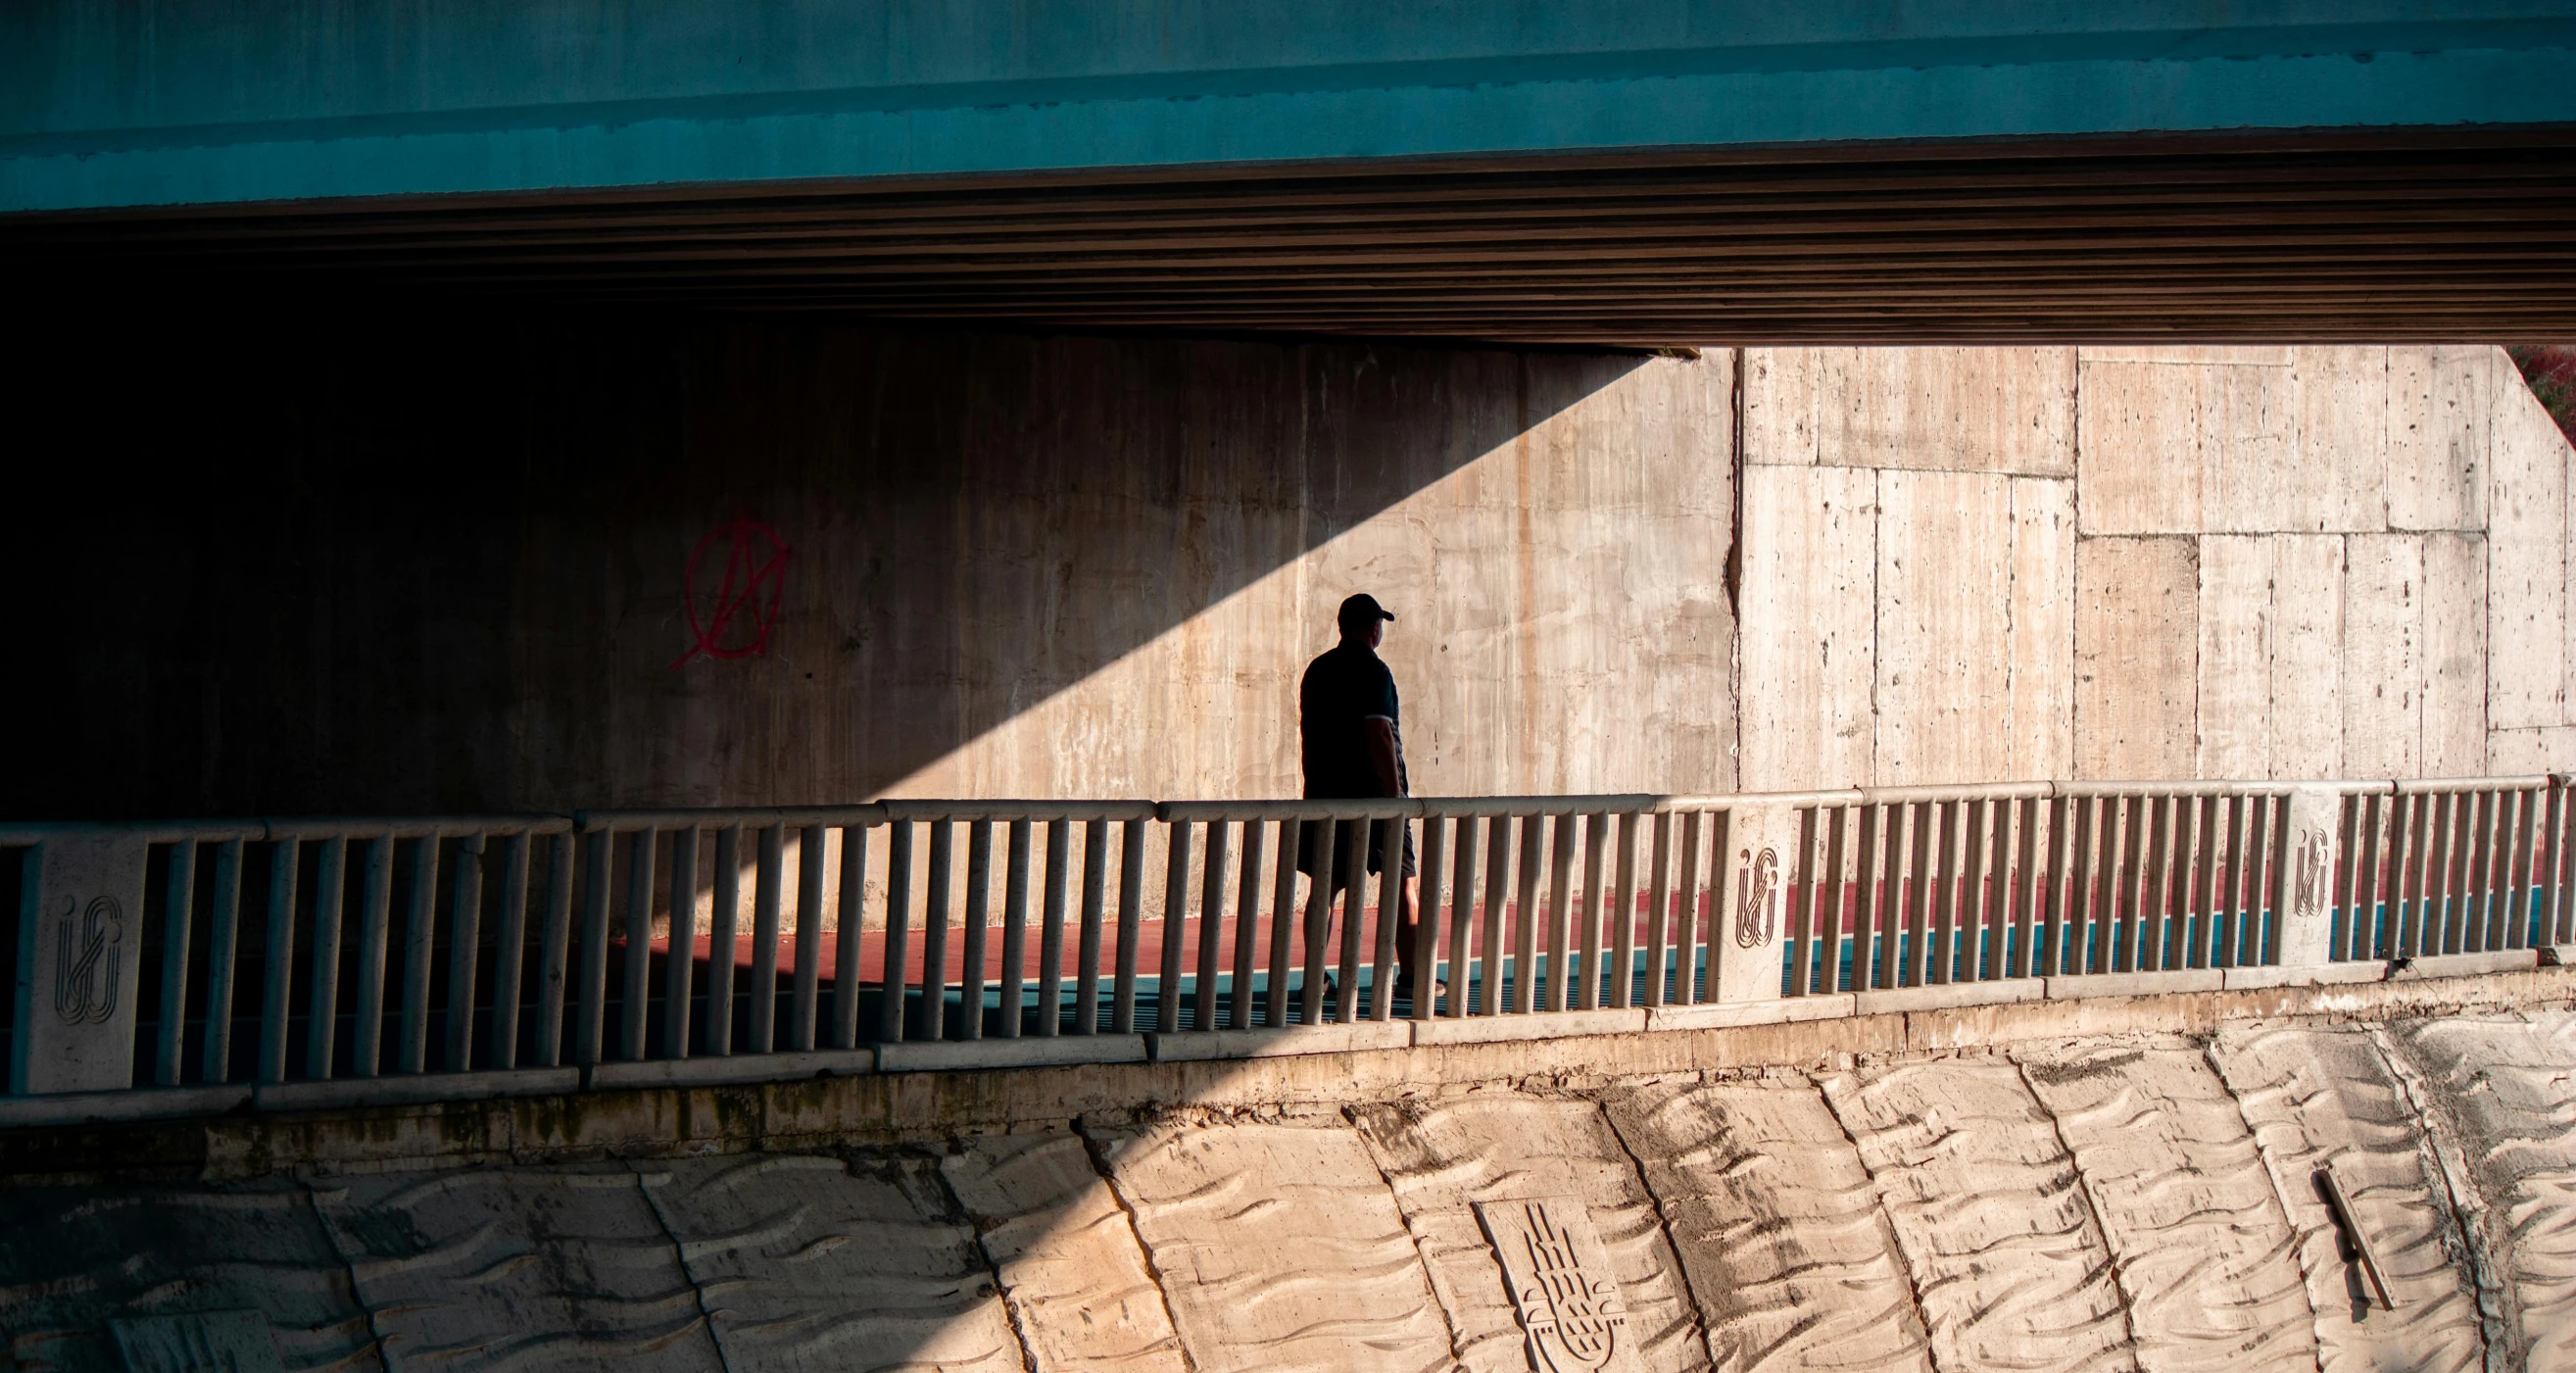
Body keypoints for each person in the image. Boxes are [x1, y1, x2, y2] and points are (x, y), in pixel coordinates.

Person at [1297, 593, 1436, 1005]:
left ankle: (1315, 979)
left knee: (1325, 887)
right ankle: (1410, 976)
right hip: (1375, 799)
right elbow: (1379, 734)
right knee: (1402, 883)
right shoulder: (1375, 671)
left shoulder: (1317, 671)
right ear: (1375, 628)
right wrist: (1394, 800)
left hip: (1324, 796)